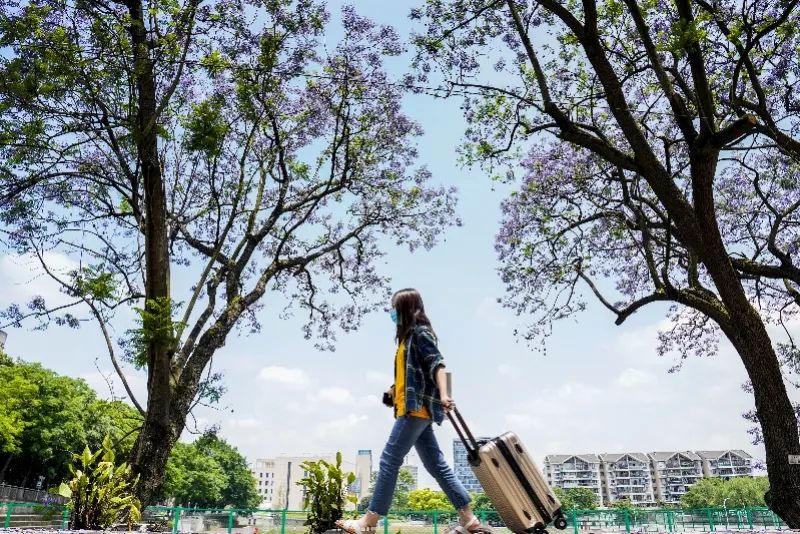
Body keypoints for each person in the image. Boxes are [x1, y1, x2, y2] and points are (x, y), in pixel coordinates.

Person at [336, 288, 493, 534]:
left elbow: (437, 364)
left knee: (389, 460)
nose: (392, 313)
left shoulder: (420, 333)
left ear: (406, 309)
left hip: (416, 409)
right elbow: (409, 376)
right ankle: (469, 519)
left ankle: (369, 521)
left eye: (395, 308)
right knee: (436, 465)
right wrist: (392, 393)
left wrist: (444, 394)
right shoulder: (406, 339)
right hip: (410, 408)